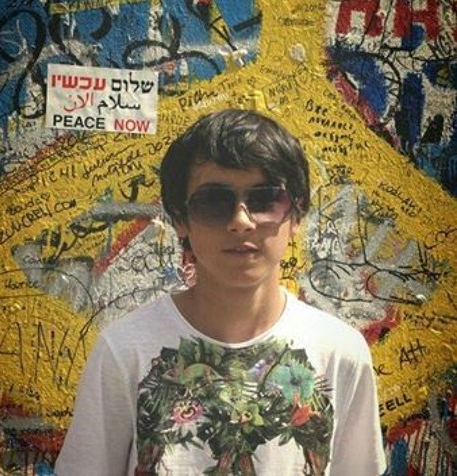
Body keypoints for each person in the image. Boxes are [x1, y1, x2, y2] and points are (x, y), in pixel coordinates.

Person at [55, 108, 386, 475]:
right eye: (214, 202)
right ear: (180, 219)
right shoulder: (124, 351)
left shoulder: (340, 353)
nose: (240, 222)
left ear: (296, 214)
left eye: (265, 200)